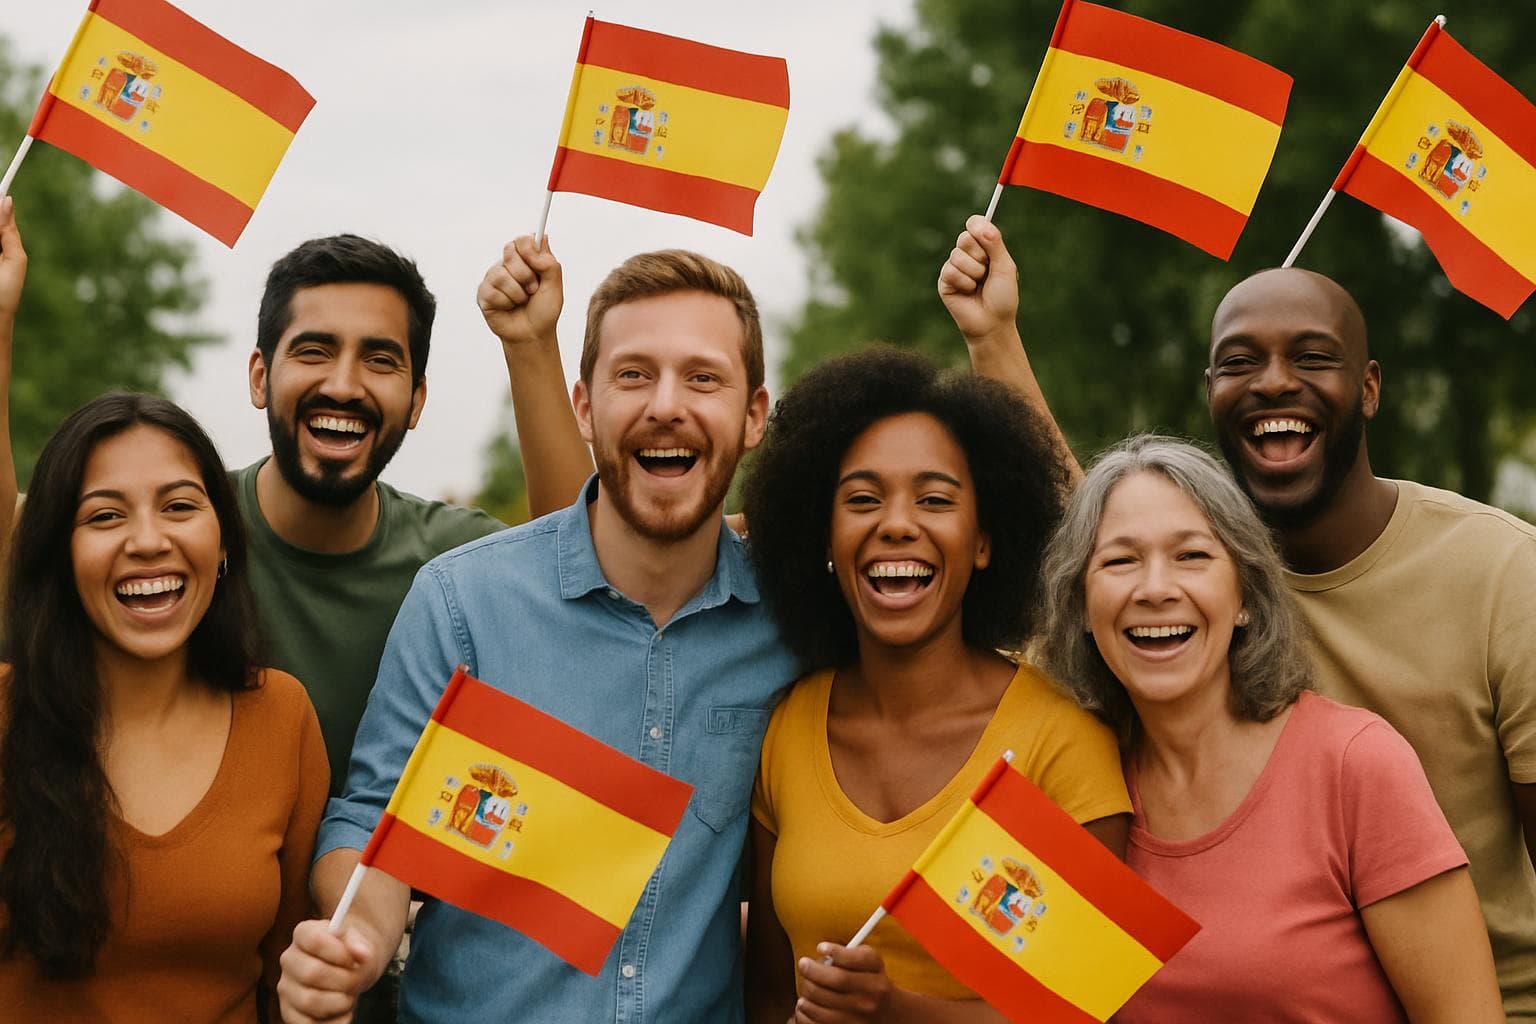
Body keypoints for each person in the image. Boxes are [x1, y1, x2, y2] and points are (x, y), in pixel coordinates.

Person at [942, 216, 1536, 1016]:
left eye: (1312, 357)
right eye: (1239, 363)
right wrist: (994, 339)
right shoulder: (1131, 684)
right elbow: (1092, 524)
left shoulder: (1501, 573)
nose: (1273, 383)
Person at [276, 243, 799, 1023]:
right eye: (633, 374)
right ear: (585, 406)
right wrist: (357, 936)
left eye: (702, 377)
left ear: (754, 415)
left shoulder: (793, 622)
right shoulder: (464, 602)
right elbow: (375, 820)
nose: (665, 405)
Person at [1033, 434, 1502, 1022]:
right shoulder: (1068, 786)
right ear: (1079, 606)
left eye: (1192, 556)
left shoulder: (1355, 764)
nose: (1154, 589)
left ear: (1246, 597)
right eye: (1121, 561)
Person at [739, 347, 1131, 1023]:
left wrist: (893, 1010)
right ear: (824, 539)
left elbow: (1087, 1009)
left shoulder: (1060, 743)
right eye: (862, 499)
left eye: (935, 499)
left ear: (984, 540)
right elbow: (770, 997)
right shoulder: (787, 728)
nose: (896, 523)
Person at [0, 392, 329, 1023]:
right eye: (103, 517)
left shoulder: (281, 716)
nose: (148, 541)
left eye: (179, 506)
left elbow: (291, 976)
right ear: (59, 555)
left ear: (224, 541)